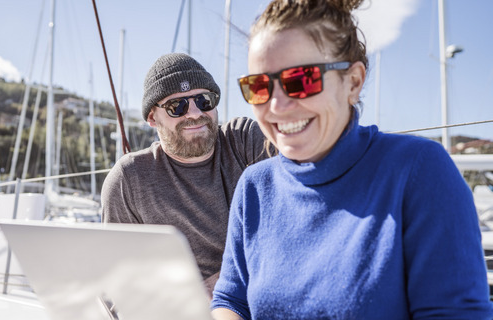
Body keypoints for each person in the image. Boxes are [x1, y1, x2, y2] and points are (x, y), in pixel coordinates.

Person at [211, 0, 493, 319]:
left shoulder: (418, 170)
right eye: (258, 86)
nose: (276, 105)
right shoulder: (255, 186)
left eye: (301, 80)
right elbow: (231, 299)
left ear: (353, 82)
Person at [101, 53, 270, 294]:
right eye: (176, 106)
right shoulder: (129, 180)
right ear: (152, 117)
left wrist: (225, 283)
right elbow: (119, 283)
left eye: (204, 101)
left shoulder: (245, 140)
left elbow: (300, 219)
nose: (193, 113)